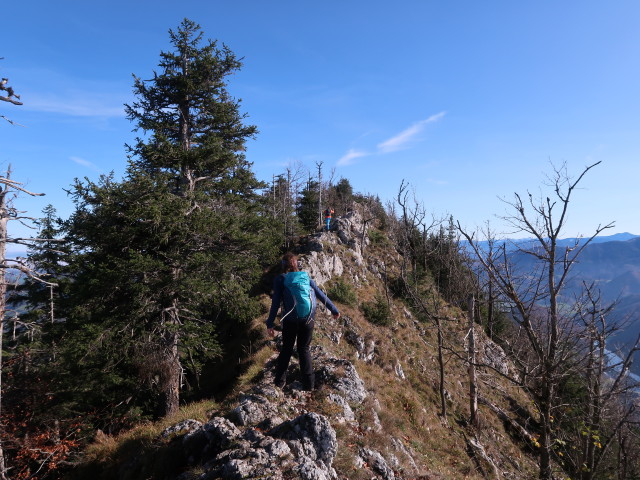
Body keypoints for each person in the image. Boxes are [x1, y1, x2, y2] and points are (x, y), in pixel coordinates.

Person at [266, 252, 340, 391]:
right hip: (308, 319)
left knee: (286, 349)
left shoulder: (280, 279)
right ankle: (309, 385)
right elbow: (320, 294)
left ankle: (279, 382)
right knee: (304, 349)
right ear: (297, 264)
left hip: (290, 320)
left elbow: (275, 303)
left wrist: (270, 324)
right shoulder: (305, 277)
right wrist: (334, 310)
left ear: (283, 266)